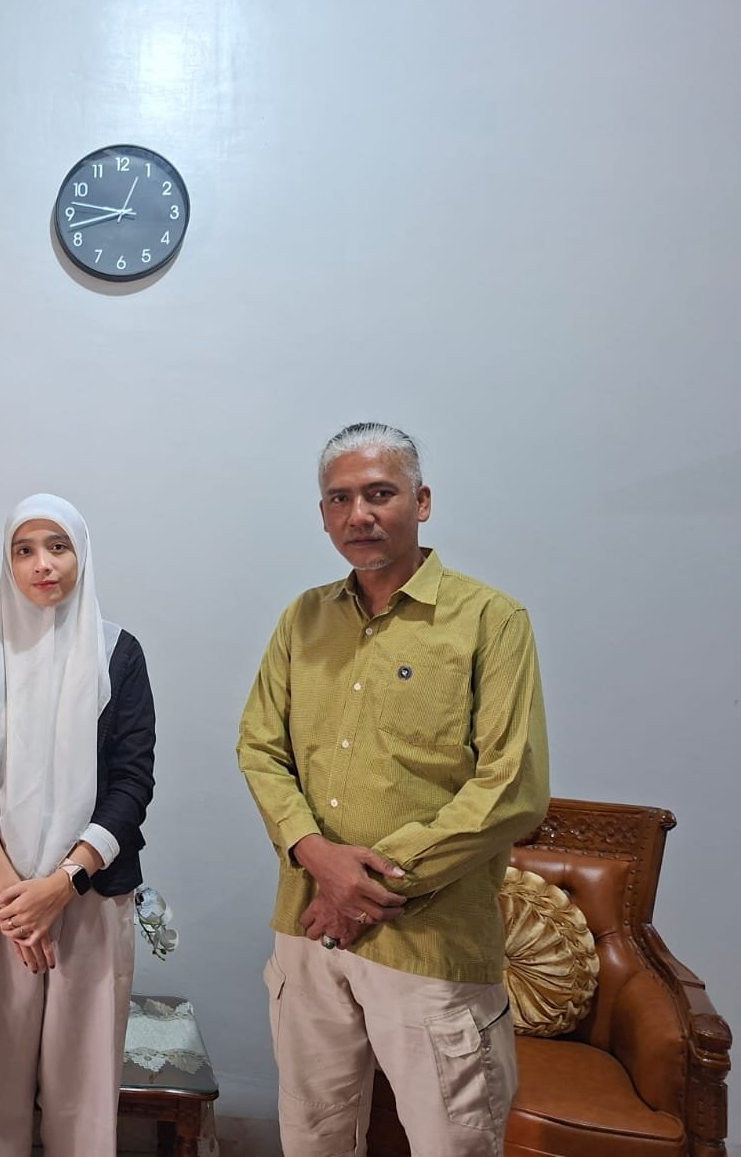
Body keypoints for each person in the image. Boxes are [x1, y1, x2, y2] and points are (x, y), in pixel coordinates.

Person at [238, 422, 549, 1156]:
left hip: (430, 945)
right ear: (323, 514)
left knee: (452, 1142)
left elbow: (511, 787)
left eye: (380, 494)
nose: (359, 515)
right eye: (340, 499)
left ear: (422, 501)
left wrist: (362, 886)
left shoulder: (490, 620)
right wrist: (317, 855)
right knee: (312, 1136)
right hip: (308, 934)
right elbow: (259, 747)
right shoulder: (303, 618)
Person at [0, 493, 156, 1156]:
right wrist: (15, 895)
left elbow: (132, 781)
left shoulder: (118, 653)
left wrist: (60, 885)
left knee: (83, 1088)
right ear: (6, 562)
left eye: (58, 547)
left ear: (81, 554)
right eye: (24, 550)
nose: (43, 564)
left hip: (88, 892)